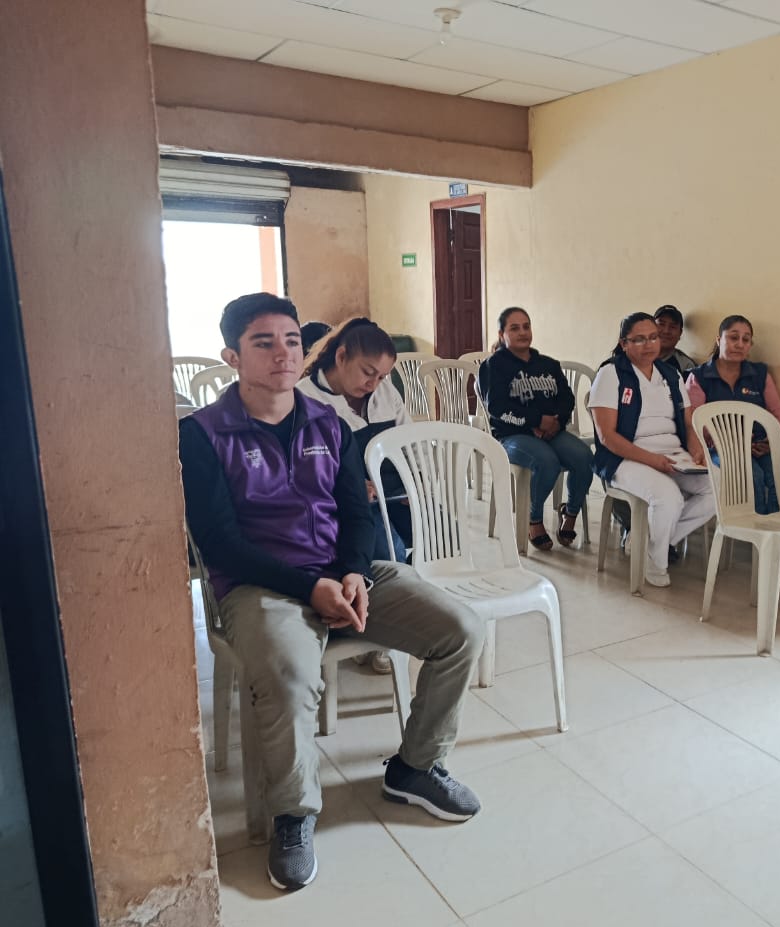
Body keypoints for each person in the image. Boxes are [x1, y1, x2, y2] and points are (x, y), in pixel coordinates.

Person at [180, 292, 484, 893]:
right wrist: (309, 587)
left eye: (292, 341)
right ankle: (294, 814)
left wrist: (352, 574)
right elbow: (219, 544)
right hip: (261, 588)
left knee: (460, 630)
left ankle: (415, 767)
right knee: (291, 674)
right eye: (263, 343)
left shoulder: (329, 424)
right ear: (232, 356)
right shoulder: (203, 434)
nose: (283, 354)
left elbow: (356, 512)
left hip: (340, 575)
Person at [589, 312, 715, 587]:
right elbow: (607, 437)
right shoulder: (610, 373)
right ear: (624, 343)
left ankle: (649, 543)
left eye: (653, 337)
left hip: (673, 455)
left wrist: (696, 451)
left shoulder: (670, 374)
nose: (649, 344)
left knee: (717, 490)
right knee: (668, 496)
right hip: (625, 458)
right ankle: (656, 565)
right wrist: (652, 460)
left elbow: (688, 422)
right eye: (639, 339)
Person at [296, 316, 411, 567]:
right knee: (390, 553)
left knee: (445, 538)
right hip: (350, 503)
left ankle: (413, 577)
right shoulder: (305, 397)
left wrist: (415, 483)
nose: (373, 384)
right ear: (341, 357)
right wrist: (350, 485)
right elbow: (306, 467)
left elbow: (410, 442)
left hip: (393, 494)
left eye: (382, 377)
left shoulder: (385, 392)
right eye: (368, 373)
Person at [478, 306, 592, 551]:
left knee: (584, 457)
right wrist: (536, 421)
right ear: (501, 334)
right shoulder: (493, 366)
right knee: (546, 461)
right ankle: (534, 518)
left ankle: (570, 514)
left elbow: (567, 398)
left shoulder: (548, 364)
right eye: (514, 328)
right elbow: (496, 407)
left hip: (551, 431)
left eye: (526, 326)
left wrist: (557, 422)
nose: (522, 332)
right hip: (512, 435)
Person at [686, 314, 780, 515]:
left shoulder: (760, 374)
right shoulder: (699, 377)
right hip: (722, 447)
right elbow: (694, 423)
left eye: (746, 340)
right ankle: (755, 530)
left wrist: (770, 441)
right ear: (719, 340)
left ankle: (777, 527)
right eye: (733, 337)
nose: (739, 344)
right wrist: (732, 442)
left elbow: (778, 415)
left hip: (760, 445)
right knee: (751, 477)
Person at [654, 303, 697, 375]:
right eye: (661, 324)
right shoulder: (636, 354)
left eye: (673, 327)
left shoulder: (686, 366)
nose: (666, 331)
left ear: (680, 333)